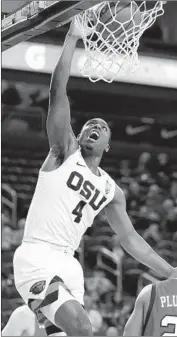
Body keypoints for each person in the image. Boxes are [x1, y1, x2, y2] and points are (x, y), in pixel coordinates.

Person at [13, 19, 176, 337]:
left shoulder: (111, 190)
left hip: (69, 266)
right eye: (89, 125)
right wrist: (72, 37)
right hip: (38, 256)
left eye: (101, 127)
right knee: (84, 329)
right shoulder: (63, 151)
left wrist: (170, 271)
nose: (94, 127)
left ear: (108, 145)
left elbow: (130, 240)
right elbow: (56, 90)